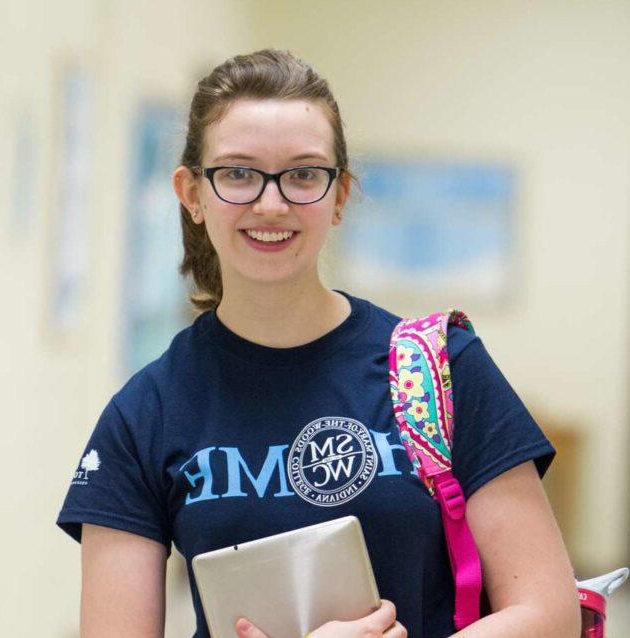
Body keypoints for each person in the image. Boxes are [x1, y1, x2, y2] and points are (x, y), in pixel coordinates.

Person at [56, 49, 580, 638]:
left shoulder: (441, 368)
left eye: (304, 174)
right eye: (237, 173)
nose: (271, 203)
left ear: (340, 196)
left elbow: (549, 615)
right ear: (192, 194)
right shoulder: (146, 412)